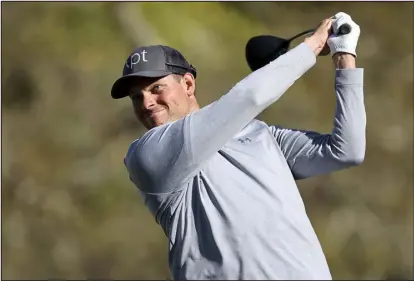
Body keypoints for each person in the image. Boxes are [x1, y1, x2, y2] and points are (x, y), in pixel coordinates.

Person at [111, 12, 366, 280]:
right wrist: (312, 46)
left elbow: (346, 150)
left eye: (156, 88)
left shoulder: (261, 134)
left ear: (187, 83)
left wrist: (344, 57)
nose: (146, 103)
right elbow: (249, 97)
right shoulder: (146, 155)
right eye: (136, 97)